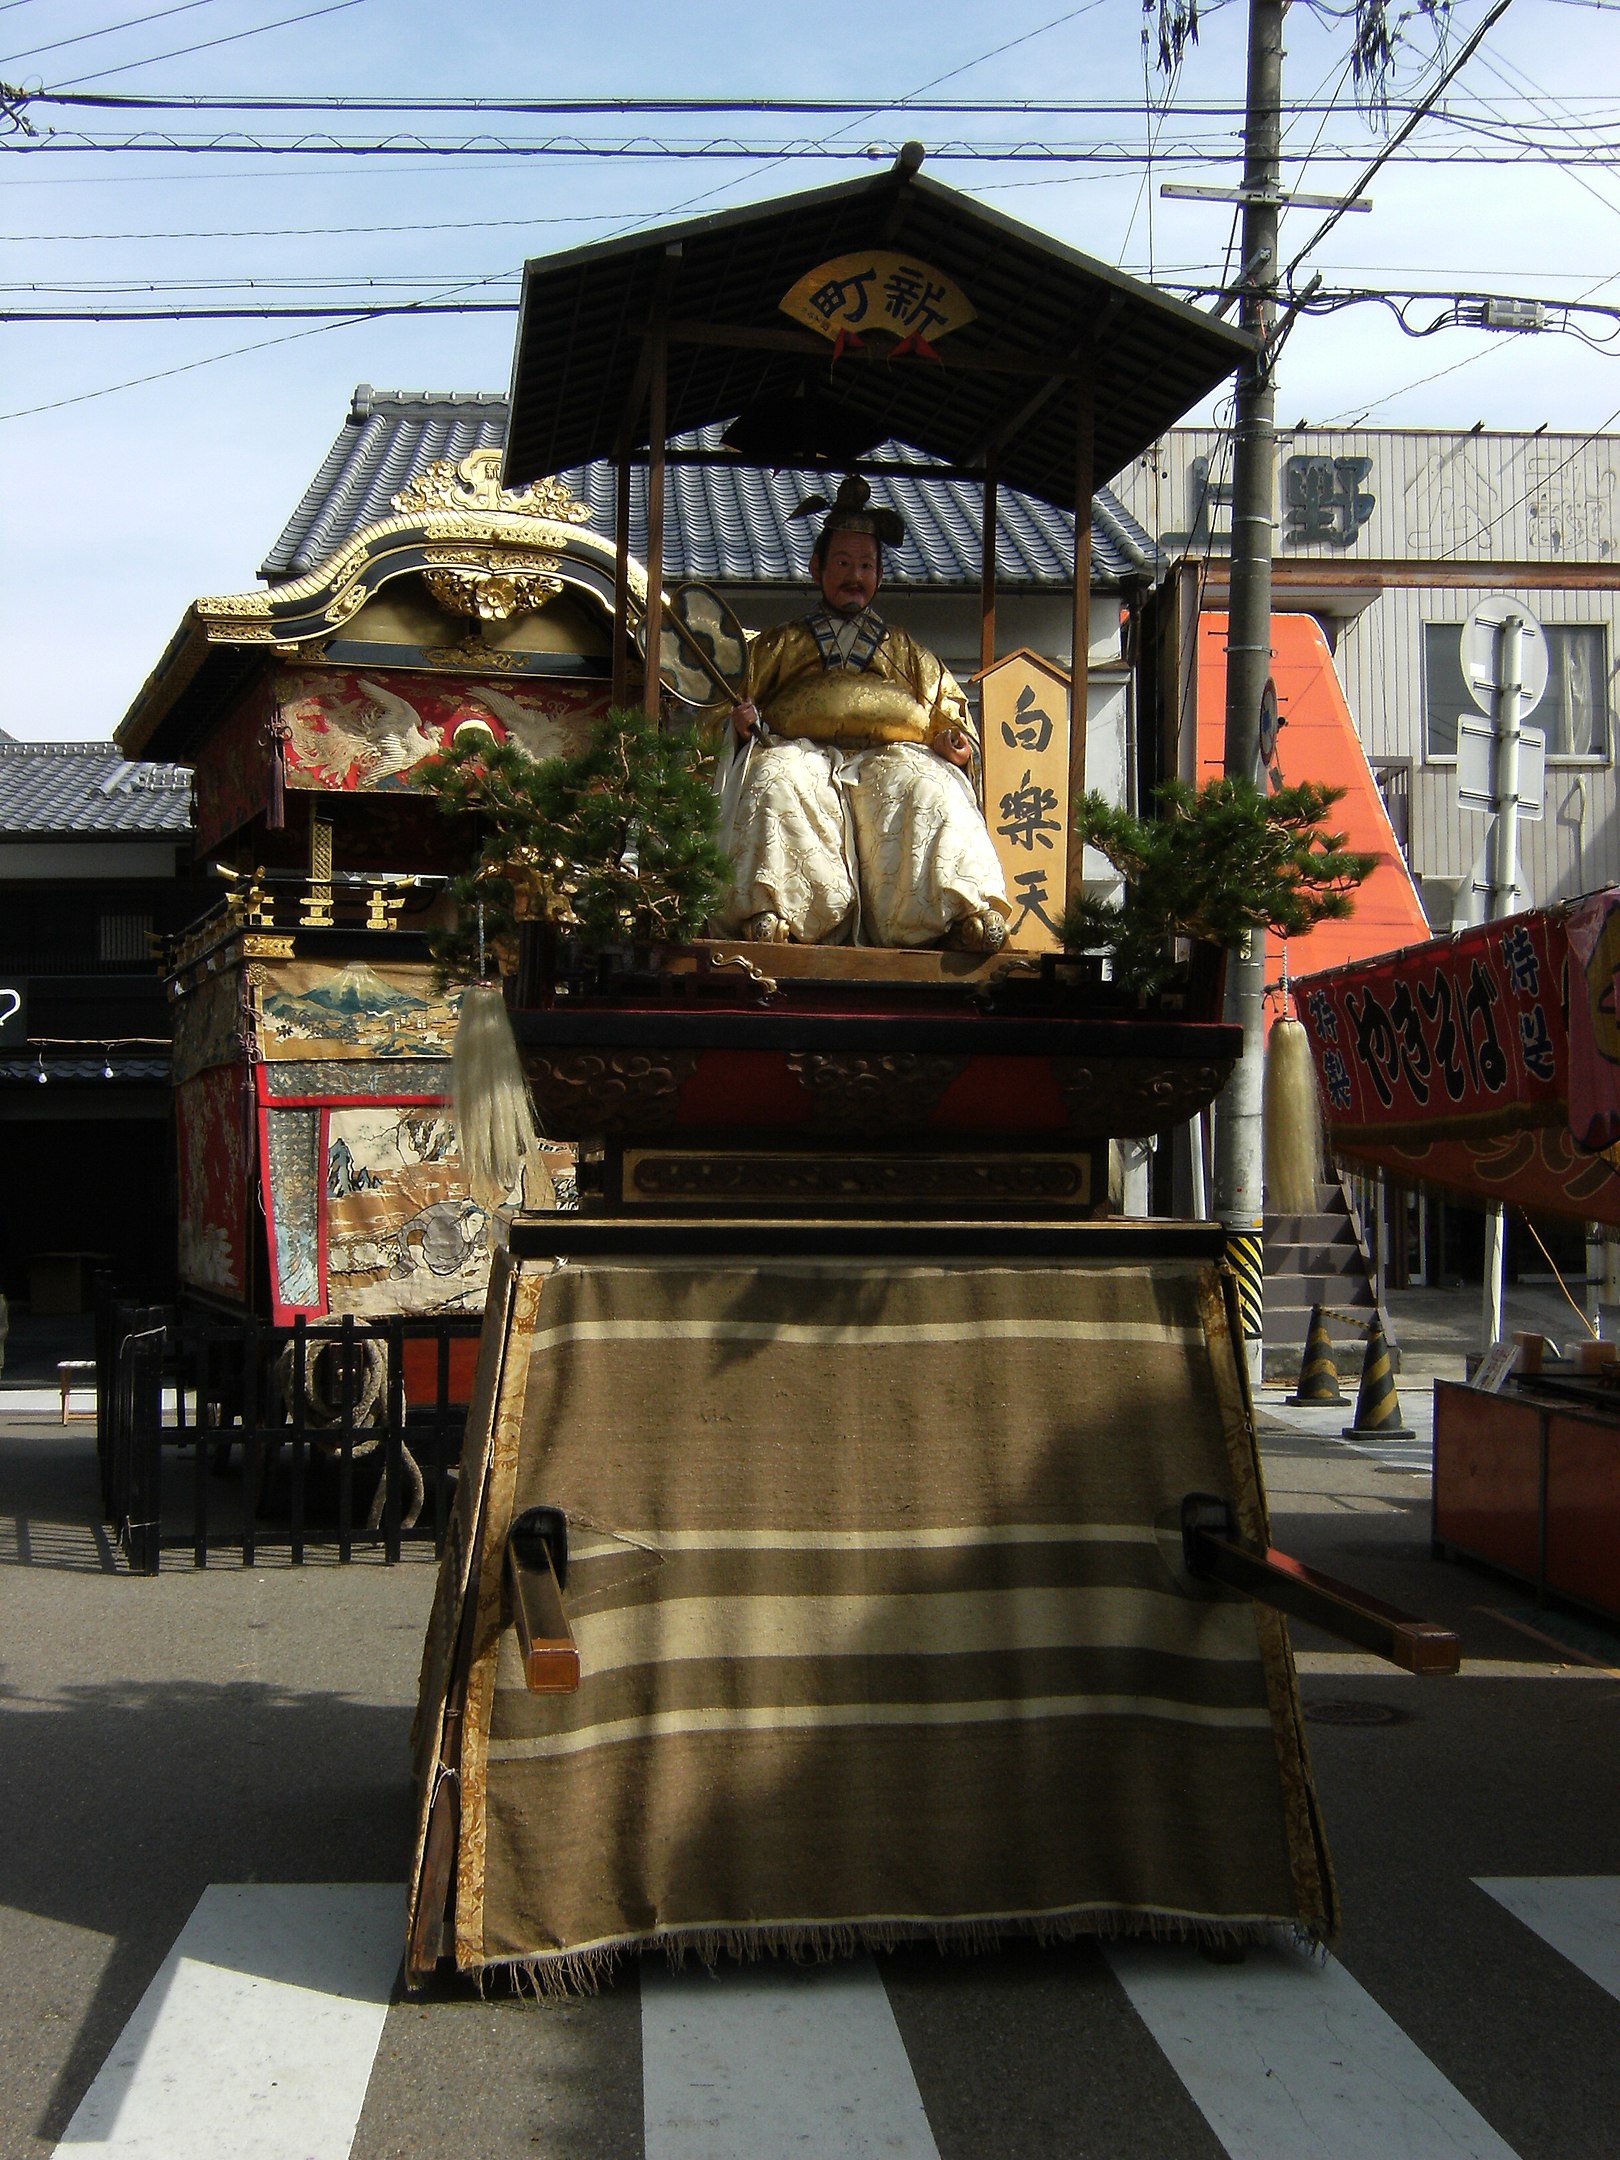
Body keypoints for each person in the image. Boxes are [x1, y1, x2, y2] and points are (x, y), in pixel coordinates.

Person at [711, 480, 1010, 952]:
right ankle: (774, 909)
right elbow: (724, 707)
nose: (855, 576)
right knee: (775, 774)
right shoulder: (777, 645)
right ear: (817, 569)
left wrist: (952, 742)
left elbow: (948, 715)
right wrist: (740, 725)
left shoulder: (907, 652)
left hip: (890, 757)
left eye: (866, 565)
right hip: (801, 753)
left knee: (928, 786)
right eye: (844, 564)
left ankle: (956, 914)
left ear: (880, 574)